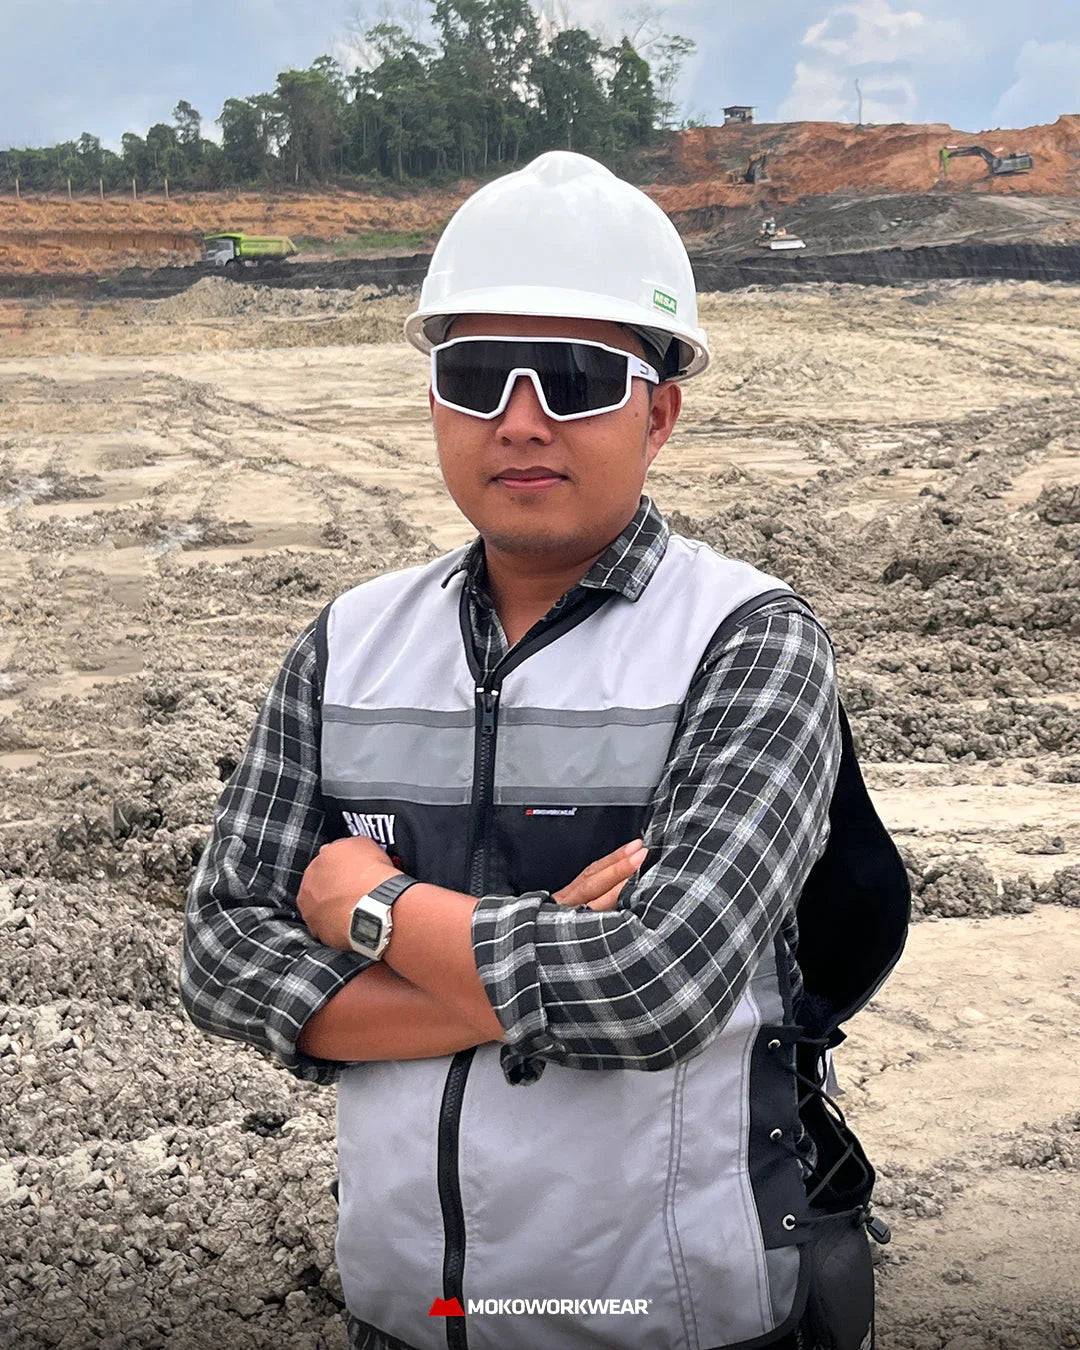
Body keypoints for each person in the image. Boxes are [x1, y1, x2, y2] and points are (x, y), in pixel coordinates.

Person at [180, 151, 908, 1350]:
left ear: (659, 411)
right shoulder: (351, 641)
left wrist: (369, 907)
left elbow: (656, 989)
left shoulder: (750, 643)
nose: (521, 420)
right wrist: (526, 966)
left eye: (574, 378)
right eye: (475, 376)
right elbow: (219, 955)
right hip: (413, 1307)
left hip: (676, 1307)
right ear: (435, 403)